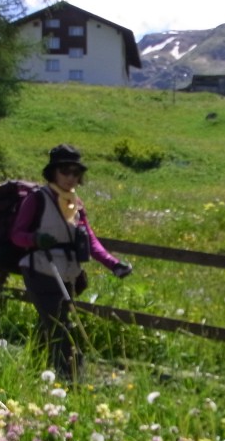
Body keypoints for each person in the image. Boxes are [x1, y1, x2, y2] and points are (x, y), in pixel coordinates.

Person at [11, 144, 133, 380]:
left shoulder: (75, 203)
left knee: (50, 321)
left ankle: (34, 371)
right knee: (60, 324)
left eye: (76, 172)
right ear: (53, 172)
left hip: (67, 272)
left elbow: (89, 240)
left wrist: (113, 264)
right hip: (40, 269)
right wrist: (35, 238)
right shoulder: (37, 199)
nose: (71, 177)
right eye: (65, 171)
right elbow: (16, 235)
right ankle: (73, 378)